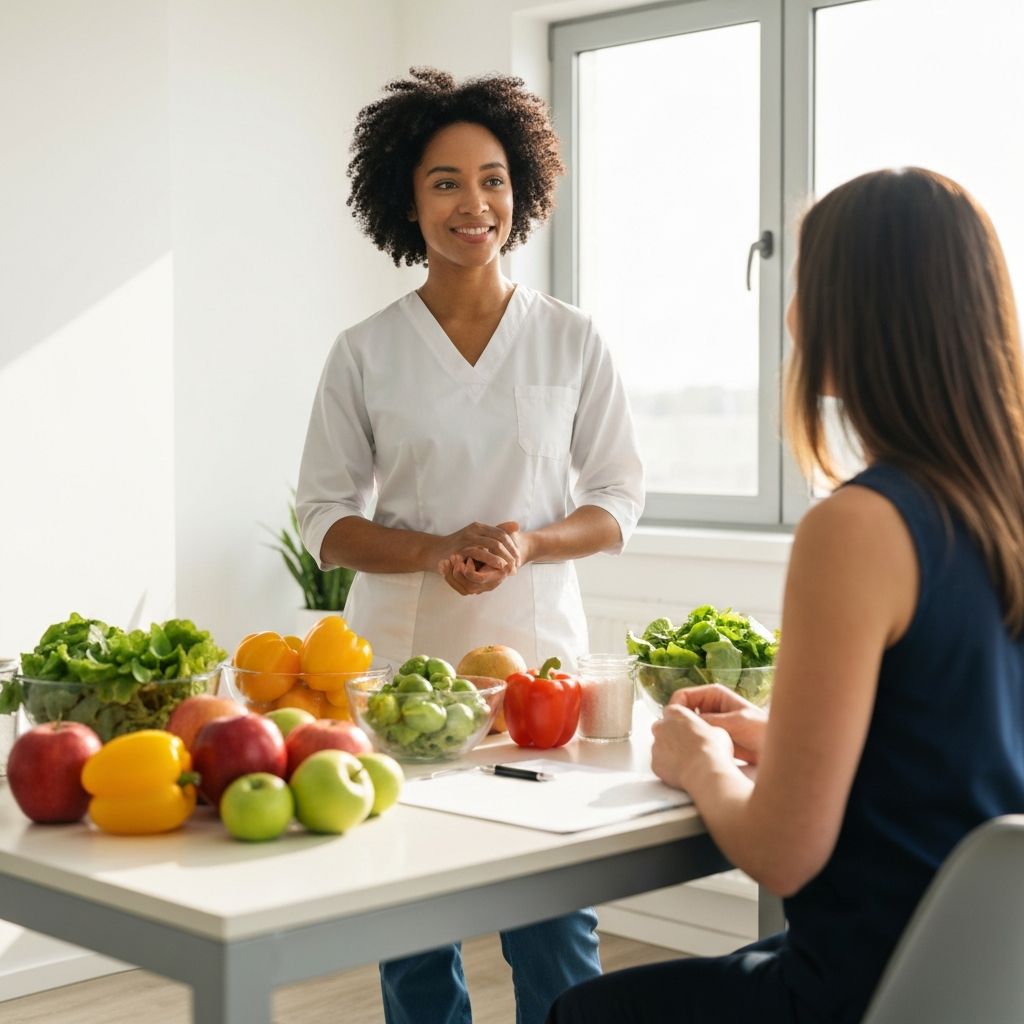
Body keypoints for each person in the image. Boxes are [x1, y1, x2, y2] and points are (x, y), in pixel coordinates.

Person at [547, 166, 1024, 1024]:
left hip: (867, 988)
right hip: (984, 985)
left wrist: (700, 760)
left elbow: (781, 854)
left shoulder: (860, 527)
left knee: (584, 1012)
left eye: (807, 282)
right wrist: (777, 735)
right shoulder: (1001, 510)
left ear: (861, 315)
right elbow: (963, 750)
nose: (793, 313)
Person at [295, 67, 644, 1024]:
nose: (473, 203)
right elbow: (323, 519)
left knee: (554, 923)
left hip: (539, 679)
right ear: (406, 199)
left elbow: (617, 501)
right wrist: (432, 549)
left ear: (520, 190)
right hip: (406, 676)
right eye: (445, 181)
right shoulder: (365, 351)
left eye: (492, 178)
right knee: (410, 925)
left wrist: (525, 544)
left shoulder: (571, 341)